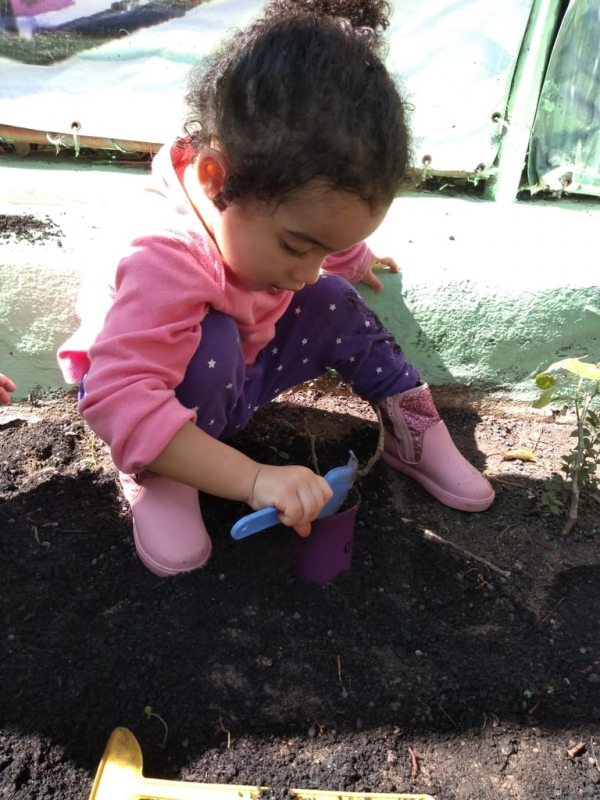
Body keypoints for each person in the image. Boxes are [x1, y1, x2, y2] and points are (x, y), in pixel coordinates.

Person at [58, 0, 494, 577]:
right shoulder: (164, 256)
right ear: (218, 179)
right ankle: (159, 471)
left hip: (241, 369)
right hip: (152, 396)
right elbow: (120, 397)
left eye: (326, 246)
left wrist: (352, 255)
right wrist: (255, 478)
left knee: (334, 301)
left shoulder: (272, 207)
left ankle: (411, 427)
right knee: (209, 343)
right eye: (296, 246)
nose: (309, 268)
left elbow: (322, 243)